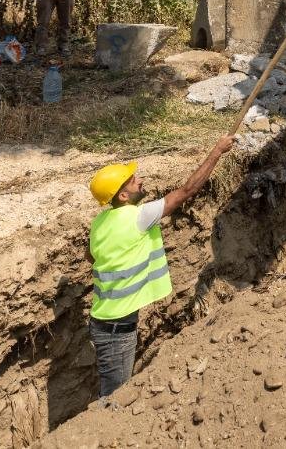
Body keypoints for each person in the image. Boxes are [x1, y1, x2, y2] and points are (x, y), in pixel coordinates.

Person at [88, 138, 236, 398]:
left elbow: (93, 258)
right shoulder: (138, 216)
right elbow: (187, 191)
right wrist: (217, 151)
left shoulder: (99, 222)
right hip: (116, 331)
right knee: (113, 399)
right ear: (123, 196)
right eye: (133, 181)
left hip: (104, 321)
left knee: (113, 392)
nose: (140, 181)